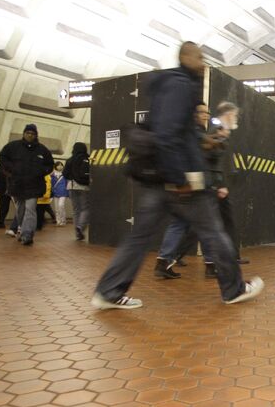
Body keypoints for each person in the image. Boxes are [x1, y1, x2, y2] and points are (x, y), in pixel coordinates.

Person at [92, 41, 263, 309]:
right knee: (214, 232)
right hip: (177, 178)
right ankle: (233, 288)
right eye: (199, 56)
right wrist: (180, 179)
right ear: (184, 57)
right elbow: (168, 136)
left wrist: (206, 141)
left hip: (158, 178)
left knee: (139, 237)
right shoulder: (181, 85)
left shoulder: (171, 86)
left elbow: (178, 133)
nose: (204, 61)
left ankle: (109, 292)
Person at [154, 101, 248, 280]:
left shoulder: (185, 132)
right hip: (196, 183)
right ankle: (214, 268)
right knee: (207, 224)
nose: (206, 115)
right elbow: (209, 156)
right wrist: (222, 138)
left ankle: (164, 261)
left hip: (180, 181)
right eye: (202, 112)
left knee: (180, 223)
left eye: (207, 112)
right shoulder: (196, 134)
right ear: (194, 114)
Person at [0, 124, 54, 245]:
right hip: (17, 184)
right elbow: (2, 157)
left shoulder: (42, 150)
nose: (30, 135)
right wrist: (11, 169)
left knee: (30, 209)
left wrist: (41, 172)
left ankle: (27, 234)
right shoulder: (12, 147)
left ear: (36, 135)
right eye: (28, 133)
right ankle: (21, 229)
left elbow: (50, 165)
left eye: (32, 133)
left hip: (34, 185)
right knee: (20, 210)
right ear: (23, 133)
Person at [63, 143, 91, 240]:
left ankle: (77, 232)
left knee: (76, 210)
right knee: (85, 208)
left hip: (71, 186)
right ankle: (80, 227)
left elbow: (65, 174)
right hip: (84, 187)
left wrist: (72, 177)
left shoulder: (70, 159)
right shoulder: (88, 159)